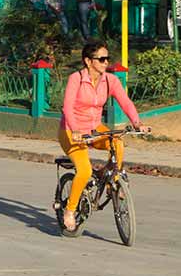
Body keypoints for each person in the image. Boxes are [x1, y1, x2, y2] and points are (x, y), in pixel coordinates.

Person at [59, 40, 144, 232]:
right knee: (84, 171)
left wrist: (137, 123)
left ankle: (113, 180)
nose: (106, 62)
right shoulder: (76, 79)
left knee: (117, 142)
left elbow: (125, 102)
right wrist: (75, 130)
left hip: (95, 128)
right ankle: (70, 211)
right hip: (71, 131)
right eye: (102, 59)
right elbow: (68, 108)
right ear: (88, 61)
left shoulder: (110, 80)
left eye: (108, 58)